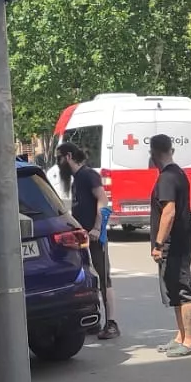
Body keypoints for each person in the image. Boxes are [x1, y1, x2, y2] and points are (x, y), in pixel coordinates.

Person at [57, 142, 118, 340]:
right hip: (83, 237)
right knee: (89, 278)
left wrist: (97, 227)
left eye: (59, 158)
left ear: (68, 156)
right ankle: (94, 320)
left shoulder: (88, 175)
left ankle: (111, 323)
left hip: (95, 236)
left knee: (103, 277)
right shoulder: (77, 179)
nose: (58, 163)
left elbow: (103, 199)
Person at [147, 133, 191, 358]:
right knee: (175, 292)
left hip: (175, 244)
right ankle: (180, 336)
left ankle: (189, 342)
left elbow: (169, 212)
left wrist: (158, 244)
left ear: (154, 154)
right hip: (180, 242)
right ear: (170, 150)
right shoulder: (178, 173)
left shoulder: (167, 178)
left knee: (182, 291)